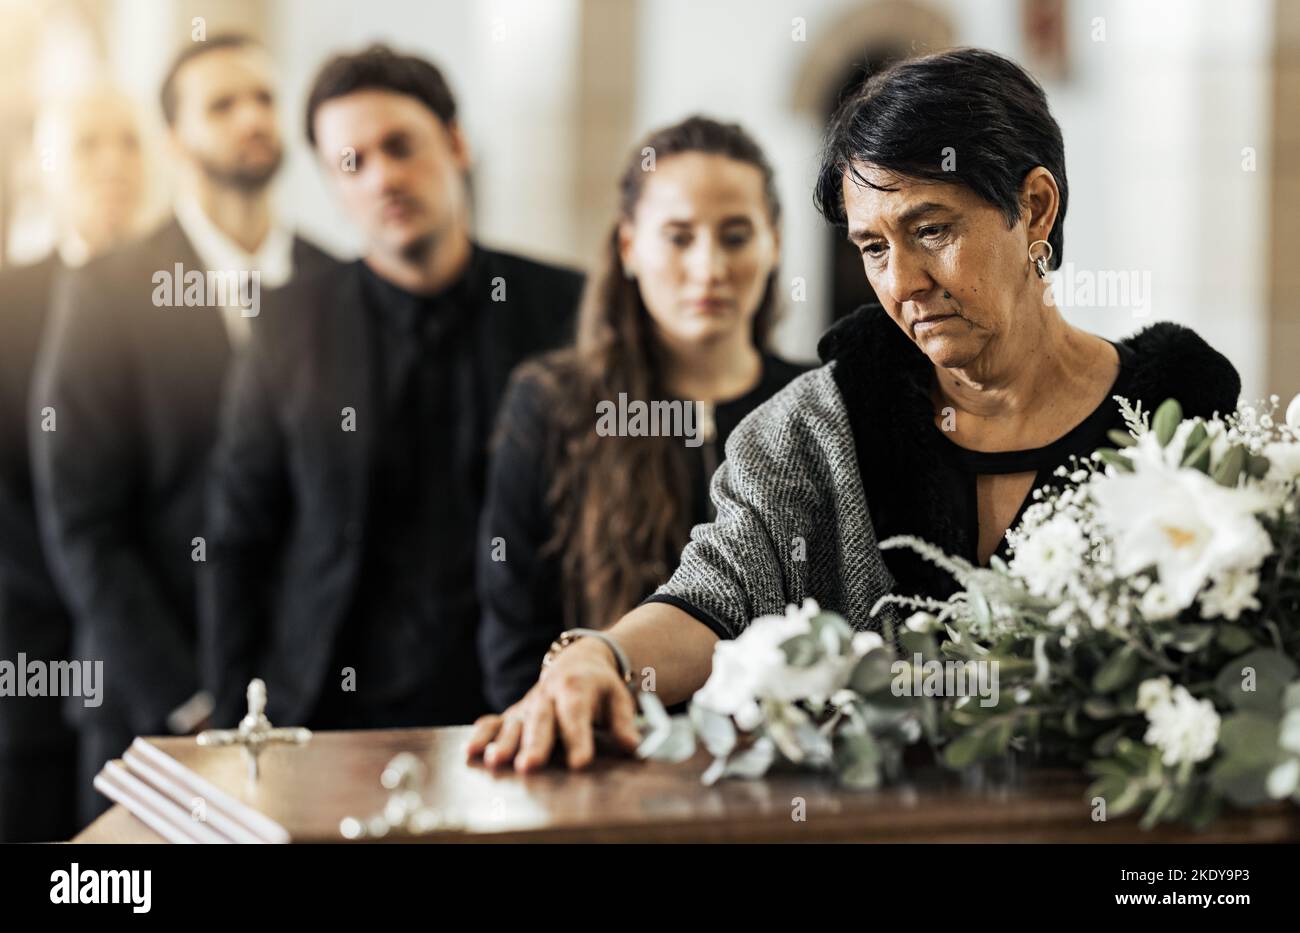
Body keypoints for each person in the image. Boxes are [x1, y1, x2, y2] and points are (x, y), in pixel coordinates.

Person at [466, 47, 1241, 773]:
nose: (902, 280)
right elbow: (714, 600)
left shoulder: (1174, 419)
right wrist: (598, 657)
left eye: (931, 230)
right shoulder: (814, 425)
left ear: (1035, 209)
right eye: (872, 248)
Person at [198, 45, 583, 733]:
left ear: (457, 143)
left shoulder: (565, 308)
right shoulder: (290, 320)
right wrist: (232, 718)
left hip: (518, 705)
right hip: (325, 707)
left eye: (400, 146)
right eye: (352, 163)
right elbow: (239, 533)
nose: (382, 178)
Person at [29, 35, 335, 825]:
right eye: (222, 104)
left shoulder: (334, 283)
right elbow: (83, 518)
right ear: (175, 140)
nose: (251, 118)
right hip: (149, 704)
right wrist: (187, 694)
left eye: (265, 99)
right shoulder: (109, 291)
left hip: (313, 704)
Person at [477, 116, 808, 711]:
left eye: (735, 236)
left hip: (781, 765)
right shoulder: (556, 406)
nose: (708, 268)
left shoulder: (812, 405)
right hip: (603, 754)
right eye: (679, 237)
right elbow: (513, 631)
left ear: (774, 243)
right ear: (629, 247)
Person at [0, 90, 145, 842]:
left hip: (156, 659)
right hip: (31, 646)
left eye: (129, 142)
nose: (113, 164)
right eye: (88, 146)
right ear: (40, 168)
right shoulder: (8, 303)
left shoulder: (181, 302)